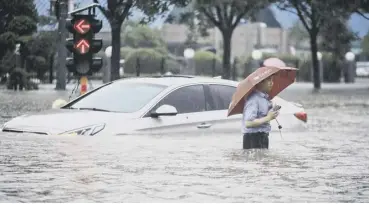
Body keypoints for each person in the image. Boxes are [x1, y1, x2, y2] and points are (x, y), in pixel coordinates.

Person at [242, 75, 279, 149]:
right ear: (260, 82)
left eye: (272, 80)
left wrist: (271, 112)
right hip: (253, 138)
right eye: (269, 80)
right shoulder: (253, 99)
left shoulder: (265, 98)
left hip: (263, 136)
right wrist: (268, 117)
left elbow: (262, 117)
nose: (272, 83)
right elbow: (248, 123)